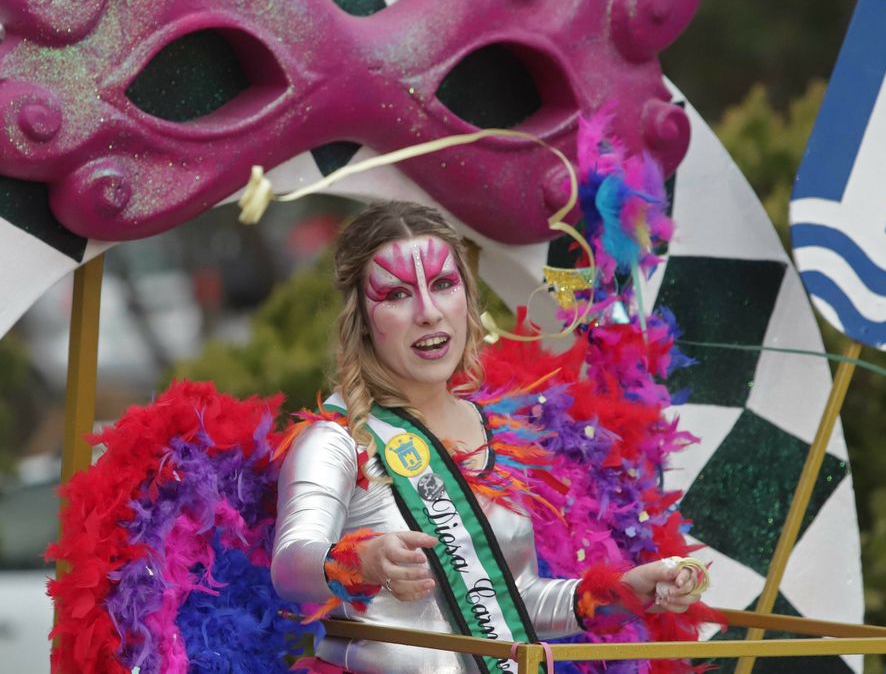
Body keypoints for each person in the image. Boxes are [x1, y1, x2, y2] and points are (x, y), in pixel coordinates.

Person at [271, 200, 706, 674]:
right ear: (363, 320)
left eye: (443, 285)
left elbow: (514, 604)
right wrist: (365, 560)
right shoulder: (336, 440)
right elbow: (290, 568)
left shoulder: (498, 432)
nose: (428, 312)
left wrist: (619, 591)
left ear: (467, 297)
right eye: (396, 295)